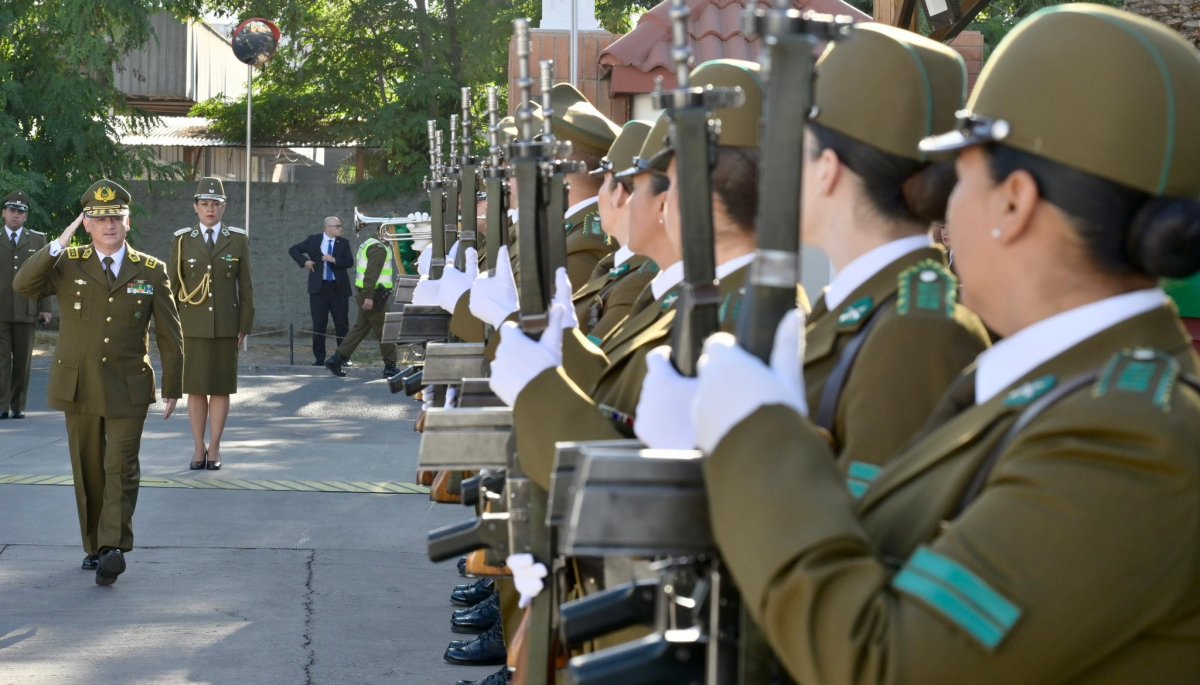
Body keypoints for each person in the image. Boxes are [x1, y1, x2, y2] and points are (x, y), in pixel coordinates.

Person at [687, 6, 1200, 682]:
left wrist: (757, 434)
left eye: (959, 175)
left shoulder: (1132, 440)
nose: (941, 207)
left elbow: (886, 663)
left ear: (1014, 202)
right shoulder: (1049, 393)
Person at [13, 180, 183, 585]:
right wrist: (58, 243)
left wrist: (175, 385)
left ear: (128, 222)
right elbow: (23, 285)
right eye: (99, 218)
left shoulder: (151, 270)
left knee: (121, 466)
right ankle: (93, 545)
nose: (109, 225)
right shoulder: (67, 263)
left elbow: (170, 333)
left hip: (129, 385)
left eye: (116, 218)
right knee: (88, 467)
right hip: (80, 383)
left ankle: (112, 547)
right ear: (86, 224)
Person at [169, 177, 254, 471]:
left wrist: (244, 326)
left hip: (226, 326)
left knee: (220, 389)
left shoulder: (238, 239)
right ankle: (197, 446)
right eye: (204, 203)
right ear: (195, 207)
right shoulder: (182, 240)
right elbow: (172, 286)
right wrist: (171, 326)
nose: (210, 209)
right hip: (191, 325)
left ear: (224, 207)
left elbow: (247, 287)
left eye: (215, 204)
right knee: (195, 389)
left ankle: (215, 446)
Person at [324, 218, 398, 378]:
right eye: (394, 230)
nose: (396, 234)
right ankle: (390, 366)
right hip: (374, 295)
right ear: (385, 231)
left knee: (360, 328)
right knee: (386, 330)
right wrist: (369, 298)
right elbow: (370, 276)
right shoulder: (379, 248)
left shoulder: (369, 243)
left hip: (369, 294)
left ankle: (337, 359)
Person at [1, 191, 52, 419]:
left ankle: (18, 405)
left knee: (23, 361)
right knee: (2, 360)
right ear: (4, 213)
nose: (16, 215)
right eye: (12, 210)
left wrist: (46, 307)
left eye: (20, 212)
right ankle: (2, 405)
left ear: (26, 216)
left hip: (27, 309)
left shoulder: (38, 241)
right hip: (1, 310)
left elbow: (45, 276)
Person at [288, 216, 353, 365]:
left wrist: (334, 260)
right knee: (319, 324)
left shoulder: (343, 243)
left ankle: (343, 357)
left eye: (340, 226)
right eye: (337, 226)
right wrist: (305, 261)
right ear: (328, 228)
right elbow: (293, 250)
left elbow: (349, 262)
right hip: (319, 289)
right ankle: (319, 358)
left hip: (338, 289)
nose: (340, 228)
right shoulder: (314, 240)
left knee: (342, 324)